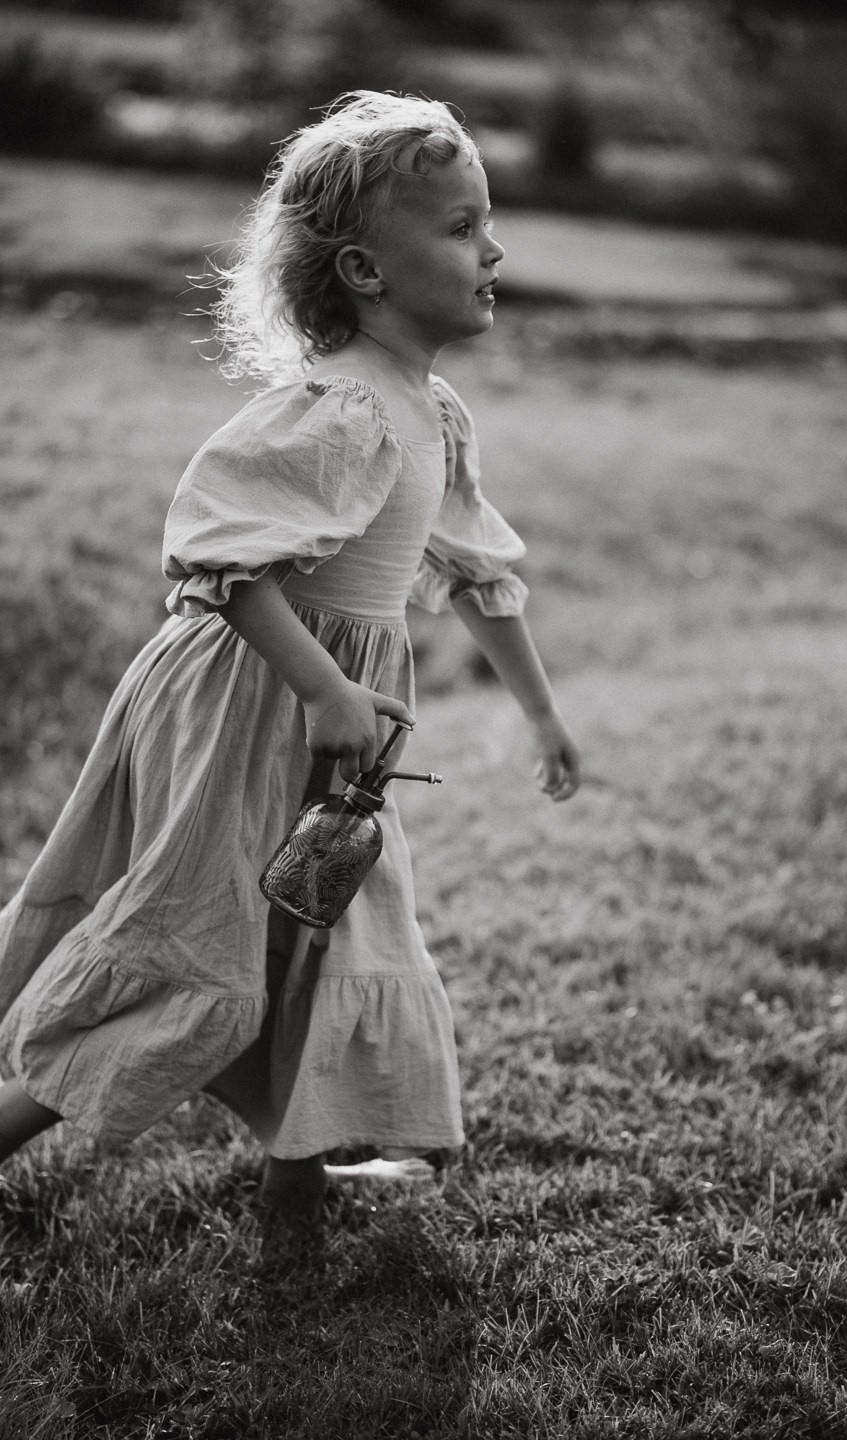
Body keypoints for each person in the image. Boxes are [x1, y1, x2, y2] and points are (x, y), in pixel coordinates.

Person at [0, 91, 581, 1207]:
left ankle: (300, 1170)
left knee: (327, 922)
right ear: (364, 271)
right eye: (460, 227)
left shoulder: (433, 413)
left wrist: (542, 714)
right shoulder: (341, 409)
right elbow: (220, 561)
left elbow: (475, 570)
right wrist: (323, 689)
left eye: (487, 222)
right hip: (246, 698)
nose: (493, 248)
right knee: (194, 937)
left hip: (332, 715)